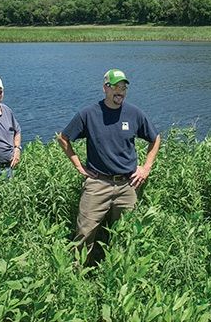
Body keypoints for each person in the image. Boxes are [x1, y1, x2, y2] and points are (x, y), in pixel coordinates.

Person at [57, 69, 161, 265]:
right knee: (84, 232)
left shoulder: (134, 113)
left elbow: (155, 139)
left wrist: (146, 168)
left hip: (128, 185)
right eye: (116, 87)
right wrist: (79, 166)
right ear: (105, 88)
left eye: (123, 88)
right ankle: (75, 278)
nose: (120, 92)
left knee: (126, 233)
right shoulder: (88, 114)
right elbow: (64, 138)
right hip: (97, 184)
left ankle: (119, 273)